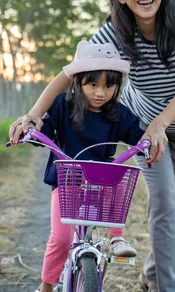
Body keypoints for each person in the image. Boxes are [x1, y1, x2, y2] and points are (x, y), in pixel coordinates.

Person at [10, 0, 175, 292]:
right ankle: (167, 286)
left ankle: (151, 269)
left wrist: (161, 125)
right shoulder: (114, 32)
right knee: (164, 202)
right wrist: (34, 113)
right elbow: (67, 74)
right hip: (144, 126)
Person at [16, 40, 145, 292]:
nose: (101, 93)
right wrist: (32, 131)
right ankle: (46, 286)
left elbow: (137, 136)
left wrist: (148, 142)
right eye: (92, 84)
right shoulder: (63, 105)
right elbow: (46, 128)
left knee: (119, 180)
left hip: (101, 182)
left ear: (117, 86)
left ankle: (117, 238)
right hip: (67, 182)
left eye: (109, 86)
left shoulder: (117, 113)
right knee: (62, 239)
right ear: (78, 82)